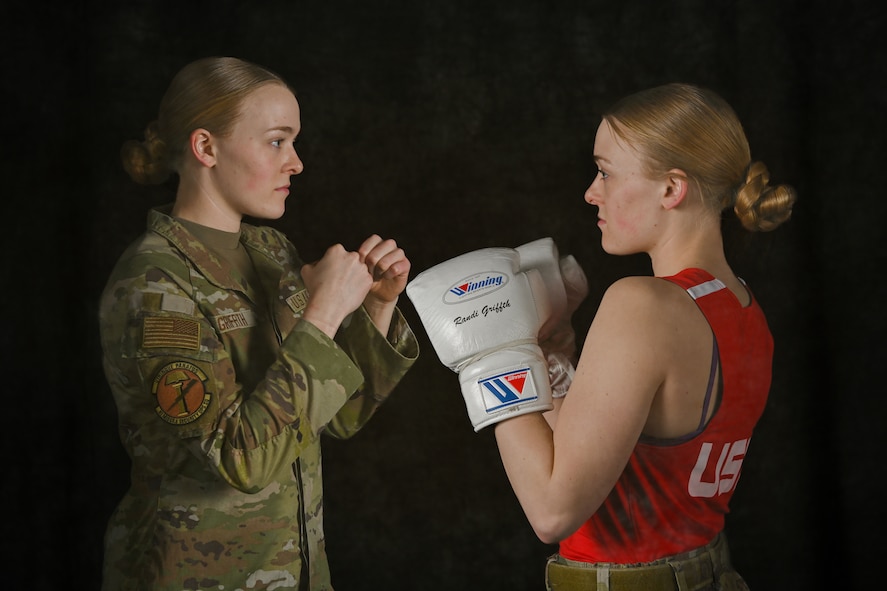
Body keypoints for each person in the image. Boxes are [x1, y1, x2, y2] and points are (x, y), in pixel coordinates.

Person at [98, 56, 419, 591]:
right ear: (206, 148)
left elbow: (336, 417)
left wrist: (376, 307)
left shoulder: (271, 252)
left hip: (297, 572)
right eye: (277, 141)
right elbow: (241, 458)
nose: (296, 162)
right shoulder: (153, 285)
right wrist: (323, 314)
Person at [490, 83, 797, 590]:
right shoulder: (744, 306)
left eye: (606, 172)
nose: (592, 191)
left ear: (671, 189)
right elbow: (627, 460)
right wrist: (551, 354)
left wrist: (497, 357)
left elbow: (552, 510)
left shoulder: (642, 303)